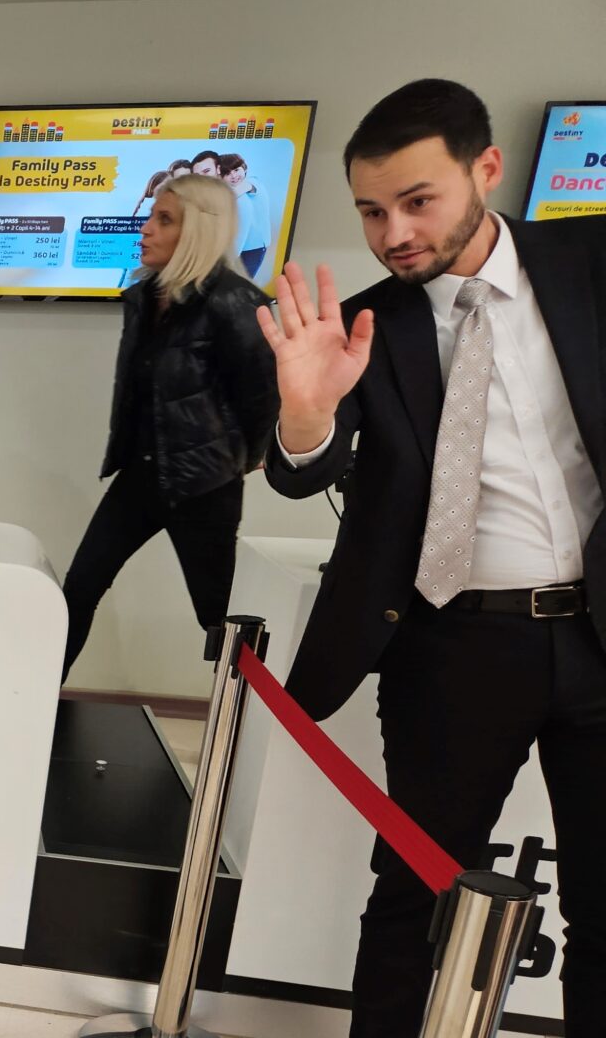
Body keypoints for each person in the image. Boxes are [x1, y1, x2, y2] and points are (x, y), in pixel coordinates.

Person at [257, 79, 606, 1036]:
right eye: (372, 211)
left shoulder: (588, 263)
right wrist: (305, 413)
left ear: (486, 169)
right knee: (416, 896)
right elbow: (300, 471)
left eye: (418, 201)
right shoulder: (364, 328)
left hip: (597, 635)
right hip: (453, 647)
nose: (395, 233)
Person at [59, 174, 277, 680]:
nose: (146, 229)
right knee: (80, 588)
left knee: (218, 617)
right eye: (152, 216)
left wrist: (238, 462)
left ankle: (237, 717)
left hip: (204, 486)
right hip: (139, 476)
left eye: (164, 219)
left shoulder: (236, 302)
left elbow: (263, 396)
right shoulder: (144, 297)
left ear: (198, 230)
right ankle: (38, 705)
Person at [219, 153, 274, 280]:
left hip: (254, 246)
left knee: (242, 281)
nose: (234, 176)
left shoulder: (253, 182)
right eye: (227, 173)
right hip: (239, 246)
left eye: (236, 170)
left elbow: (243, 188)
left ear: (244, 168)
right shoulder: (231, 190)